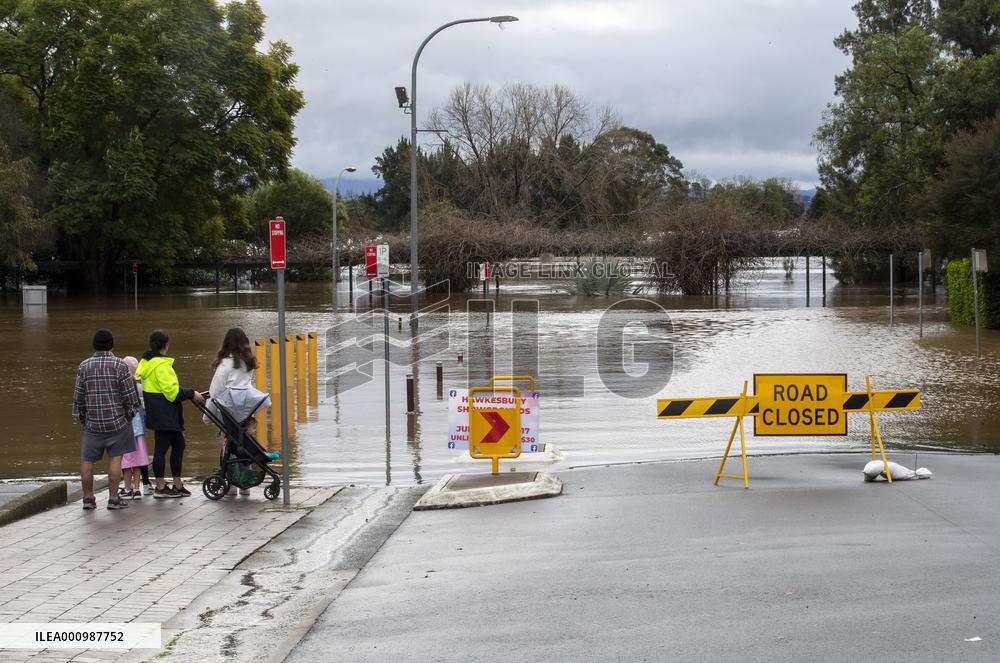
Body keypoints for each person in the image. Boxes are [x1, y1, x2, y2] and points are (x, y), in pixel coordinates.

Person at [72, 328, 140, 511]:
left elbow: (78, 397)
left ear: (94, 345)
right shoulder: (120, 366)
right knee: (115, 460)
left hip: (92, 424)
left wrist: (83, 419)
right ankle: (113, 498)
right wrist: (129, 415)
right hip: (117, 422)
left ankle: (88, 498)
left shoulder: (84, 366)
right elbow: (130, 397)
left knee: (87, 460)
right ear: (112, 345)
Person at [137, 330, 205, 498]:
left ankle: (177, 484)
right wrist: (191, 393)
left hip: (158, 413)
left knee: (178, 446)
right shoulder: (161, 366)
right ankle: (160, 487)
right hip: (166, 414)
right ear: (166, 345)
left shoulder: (147, 363)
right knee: (161, 449)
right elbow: (172, 393)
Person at [205, 328, 257, 496]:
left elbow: (215, 392)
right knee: (246, 445)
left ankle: (232, 485)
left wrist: (207, 416)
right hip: (247, 410)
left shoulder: (224, 366)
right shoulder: (249, 364)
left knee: (229, 446)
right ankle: (246, 484)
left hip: (228, 413)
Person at [119, 356, 150, 499]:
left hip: (125, 429)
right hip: (139, 429)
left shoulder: (120, 387)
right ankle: (137, 489)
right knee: (138, 460)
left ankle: (126, 488)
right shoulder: (140, 387)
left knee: (126, 461)